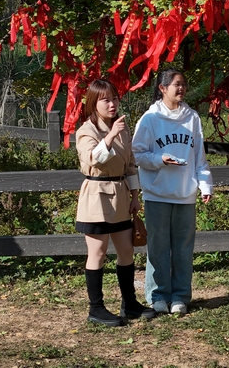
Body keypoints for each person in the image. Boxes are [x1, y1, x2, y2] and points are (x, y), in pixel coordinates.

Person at [132, 68, 213, 315]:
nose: (181, 89)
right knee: (157, 247)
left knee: (183, 248)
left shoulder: (193, 119)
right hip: (157, 193)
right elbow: (137, 154)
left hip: (185, 194)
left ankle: (180, 296)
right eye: (176, 84)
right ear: (162, 88)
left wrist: (205, 184)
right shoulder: (150, 119)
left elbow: (200, 156)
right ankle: (157, 295)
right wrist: (160, 159)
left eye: (184, 84)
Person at [75, 79, 155, 327]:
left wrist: (134, 196)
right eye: (105, 100)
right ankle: (96, 308)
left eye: (115, 98)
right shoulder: (86, 131)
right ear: (93, 103)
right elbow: (94, 160)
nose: (112, 104)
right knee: (97, 253)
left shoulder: (122, 129)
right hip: (96, 195)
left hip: (120, 194)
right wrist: (110, 135)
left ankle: (129, 303)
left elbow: (130, 164)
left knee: (126, 251)